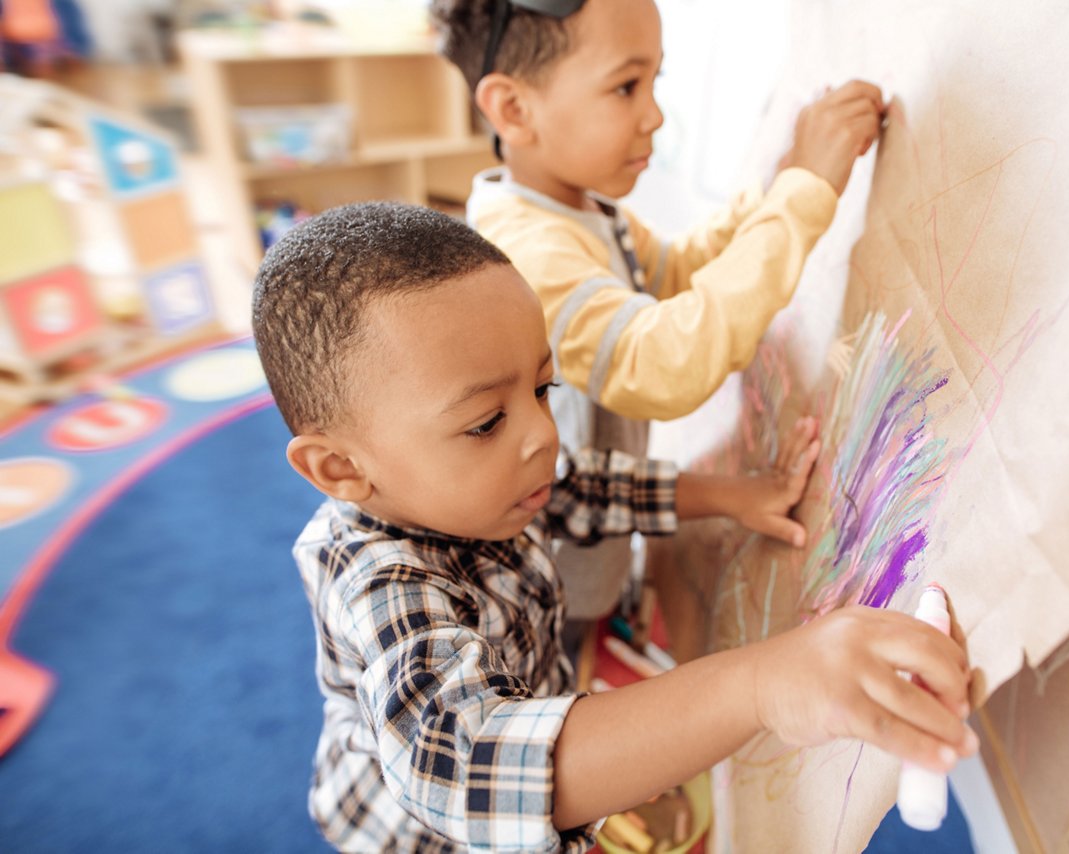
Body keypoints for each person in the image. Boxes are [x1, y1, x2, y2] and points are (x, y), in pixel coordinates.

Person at [252, 201, 977, 852]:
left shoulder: (480, 486)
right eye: (486, 422)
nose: (542, 435)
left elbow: (585, 487)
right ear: (341, 470)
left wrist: (732, 495)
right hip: (421, 837)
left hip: (529, 697)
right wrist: (764, 682)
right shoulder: (382, 584)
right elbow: (470, 766)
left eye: (542, 389)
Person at [431, 0, 886, 624]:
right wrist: (804, 194)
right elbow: (660, 363)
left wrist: (776, 186)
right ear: (513, 109)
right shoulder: (528, 252)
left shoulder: (573, 207)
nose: (654, 115)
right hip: (547, 587)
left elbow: (674, 272)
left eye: (655, 81)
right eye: (625, 86)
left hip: (597, 548)